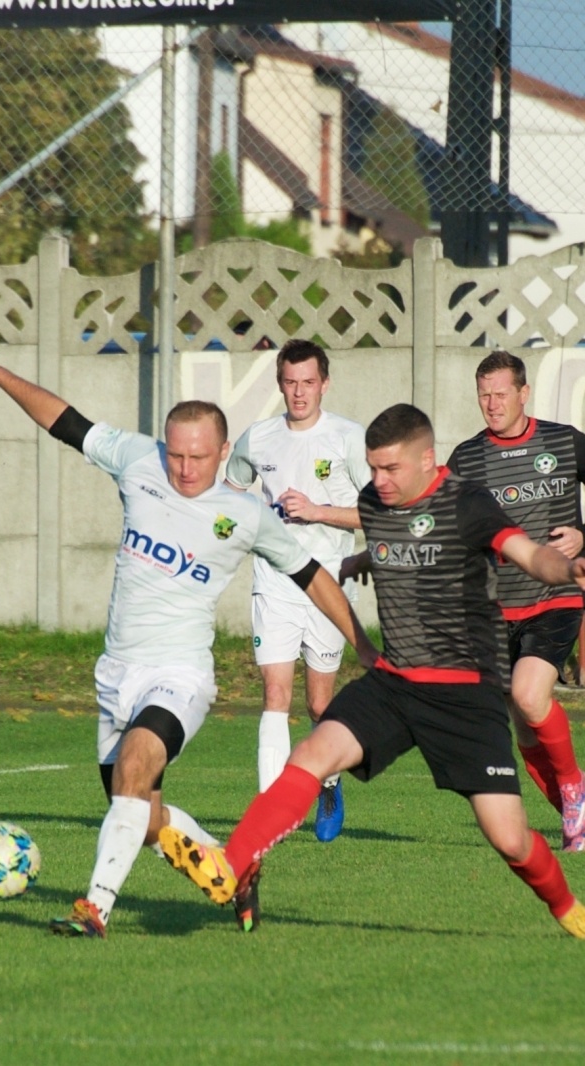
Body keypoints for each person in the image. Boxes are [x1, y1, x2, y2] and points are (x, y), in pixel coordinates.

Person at [0, 347, 363, 938]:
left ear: (225, 453)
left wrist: (364, 646)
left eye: (199, 456)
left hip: (180, 676)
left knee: (136, 770)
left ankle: (93, 909)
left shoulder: (246, 516)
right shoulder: (137, 461)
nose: (185, 467)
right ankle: (234, 868)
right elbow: (65, 420)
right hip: (117, 672)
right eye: (175, 453)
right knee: (141, 816)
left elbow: (314, 577)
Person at [163, 403, 585, 939]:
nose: (377, 482)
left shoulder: (467, 503)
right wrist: (363, 561)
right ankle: (231, 864)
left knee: (510, 839)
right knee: (311, 754)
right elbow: (396, 540)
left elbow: (528, 554)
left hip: (466, 694)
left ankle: (566, 906)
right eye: (372, 468)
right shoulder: (377, 502)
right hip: (396, 680)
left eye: (389, 470)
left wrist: (571, 567)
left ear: (428, 459)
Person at [445, 351, 585, 851]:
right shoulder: (467, 457)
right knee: (523, 728)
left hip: (555, 596)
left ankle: (572, 785)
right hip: (495, 607)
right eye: (484, 394)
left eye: (501, 393)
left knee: (530, 696)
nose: (492, 403)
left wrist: (582, 535)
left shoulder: (565, 442)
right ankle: (574, 815)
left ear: (524, 394)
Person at [223, 339, 368, 842]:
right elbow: (233, 489)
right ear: (279, 383)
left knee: (320, 707)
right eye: (290, 382)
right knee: (275, 694)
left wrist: (317, 510)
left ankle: (328, 782)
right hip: (274, 583)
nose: (299, 392)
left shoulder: (348, 438)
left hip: (327, 584)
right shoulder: (257, 439)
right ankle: (273, 814)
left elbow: (379, 512)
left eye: (309, 382)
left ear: (325, 383)